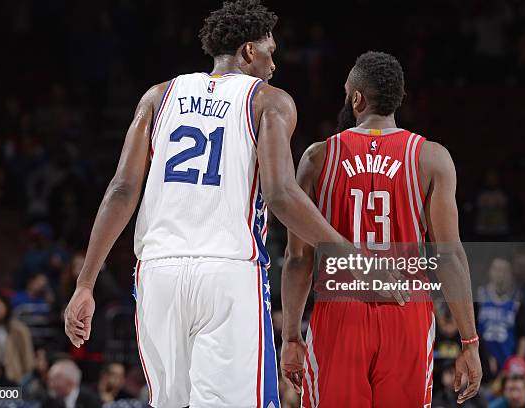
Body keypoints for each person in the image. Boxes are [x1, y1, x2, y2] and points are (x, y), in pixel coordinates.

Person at [63, 1, 352, 407]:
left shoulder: (158, 96)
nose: (274, 63)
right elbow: (281, 194)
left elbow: (121, 191)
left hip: (158, 273)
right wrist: (347, 252)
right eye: (271, 51)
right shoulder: (269, 101)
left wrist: (86, 283)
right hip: (227, 271)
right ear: (250, 51)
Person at [279, 52, 482, 407]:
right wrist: (469, 342)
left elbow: (298, 258)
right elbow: (450, 256)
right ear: (397, 100)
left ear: (356, 98)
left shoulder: (317, 157)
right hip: (406, 311)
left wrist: (292, 336)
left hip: (340, 310)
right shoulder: (431, 157)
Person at [477, 257, 525, 375]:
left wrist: (517, 363)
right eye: (496, 269)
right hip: (481, 361)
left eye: (503, 270)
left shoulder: (517, 299)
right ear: (489, 271)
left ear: (510, 273)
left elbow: (524, 335)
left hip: (507, 361)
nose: (499, 273)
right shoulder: (479, 295)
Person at [0, 294, 35, 383]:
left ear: (5, 307)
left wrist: (25, 377)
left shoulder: (18, 329)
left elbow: (27, 356)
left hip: (16, 376)